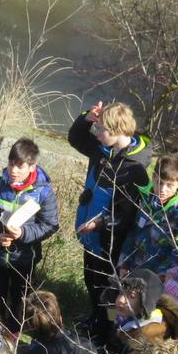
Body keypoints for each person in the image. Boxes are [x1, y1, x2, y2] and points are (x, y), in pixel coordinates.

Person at [67, 100, 152, 325]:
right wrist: (86, 117)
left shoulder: (134, 167)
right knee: (91, 279)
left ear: (116, 131)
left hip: (110, 239)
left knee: (109, 289)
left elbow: (126, 212)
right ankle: (95, 319)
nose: (97, 134)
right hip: (91, 233)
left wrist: (100, 224)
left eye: (102, 130)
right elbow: (75, 138)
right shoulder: (103, 149)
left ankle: (109, 328)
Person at [0, 137, 60, 330]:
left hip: (25, 258)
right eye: (10, 164)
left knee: (21, 299)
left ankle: (14, 331)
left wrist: (24, 233)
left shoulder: (43, 193)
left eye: (20, 166)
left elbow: (50, 224)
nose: (13, 171)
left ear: (32, 167)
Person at [120, 156, 178, 276]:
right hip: (135, 268)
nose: (162, 189)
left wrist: (162, 277)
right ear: (153, 177)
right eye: (159, 182)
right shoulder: (146, 198)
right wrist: (124, 263)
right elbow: (134, 231)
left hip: (160, 277)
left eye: (169, 185)